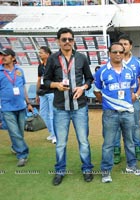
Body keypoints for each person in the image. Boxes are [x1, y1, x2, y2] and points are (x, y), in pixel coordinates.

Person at [43, 28, 94, 186]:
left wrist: (83, 88)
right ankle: (59, 171)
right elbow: (46, 81)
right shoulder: (52, 59)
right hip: (60, 108)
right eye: (64, 39)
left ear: (73, 41)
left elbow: (89, 79)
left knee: (83, 141)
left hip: (80, 108)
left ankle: (87, 169)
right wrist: (56, 85)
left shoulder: (81, 58)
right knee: (60, 143)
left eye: (70, 39)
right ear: (58, 41)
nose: (67, 42)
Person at [94, 42, 140, 183]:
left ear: (124, 53)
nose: (118, 55)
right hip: (110, 114)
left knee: (130, 141)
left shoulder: (130, 71)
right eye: (115, 52)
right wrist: (106, 103)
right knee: (109, 144)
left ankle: (132, 166)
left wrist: (133, 98)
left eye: (120, 52)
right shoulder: (102, 71)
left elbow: (132, 89)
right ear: (109, 53)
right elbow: (96, 91)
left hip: (128, 113)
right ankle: (105, 172)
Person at [113, 34, 140, 164]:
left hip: (133, 100)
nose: (123, 47)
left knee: (135, 126)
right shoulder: (113, 61)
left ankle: (138, 150)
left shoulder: (137, 62)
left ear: (130, 46)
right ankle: (116, 151)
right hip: (116, 102)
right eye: (121, 44)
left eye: (125, 44)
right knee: (116, 126)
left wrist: (137, 94)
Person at [0, 48, 33, 167]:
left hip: (21, 106)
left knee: (19, 131)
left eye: (6, 55)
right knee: (14, 131)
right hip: (7, 108)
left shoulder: (19, 71)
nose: (3, 57)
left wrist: (28, 103)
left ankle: (15, 147)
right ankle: (22, 155)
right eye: (2, 55)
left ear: (13, 58)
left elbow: (23, 87)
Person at [36, 46, 56, 144]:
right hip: (42, 93)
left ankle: (55, 135)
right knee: (43, 113)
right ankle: (52, 133)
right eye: (39, 53)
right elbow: (39, 79)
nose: (39, 54)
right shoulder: (40, 66)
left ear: (47, 54)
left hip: (51, 92)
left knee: (52, 114)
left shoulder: (53, 65)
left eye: (41, 53)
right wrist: (37, 93)